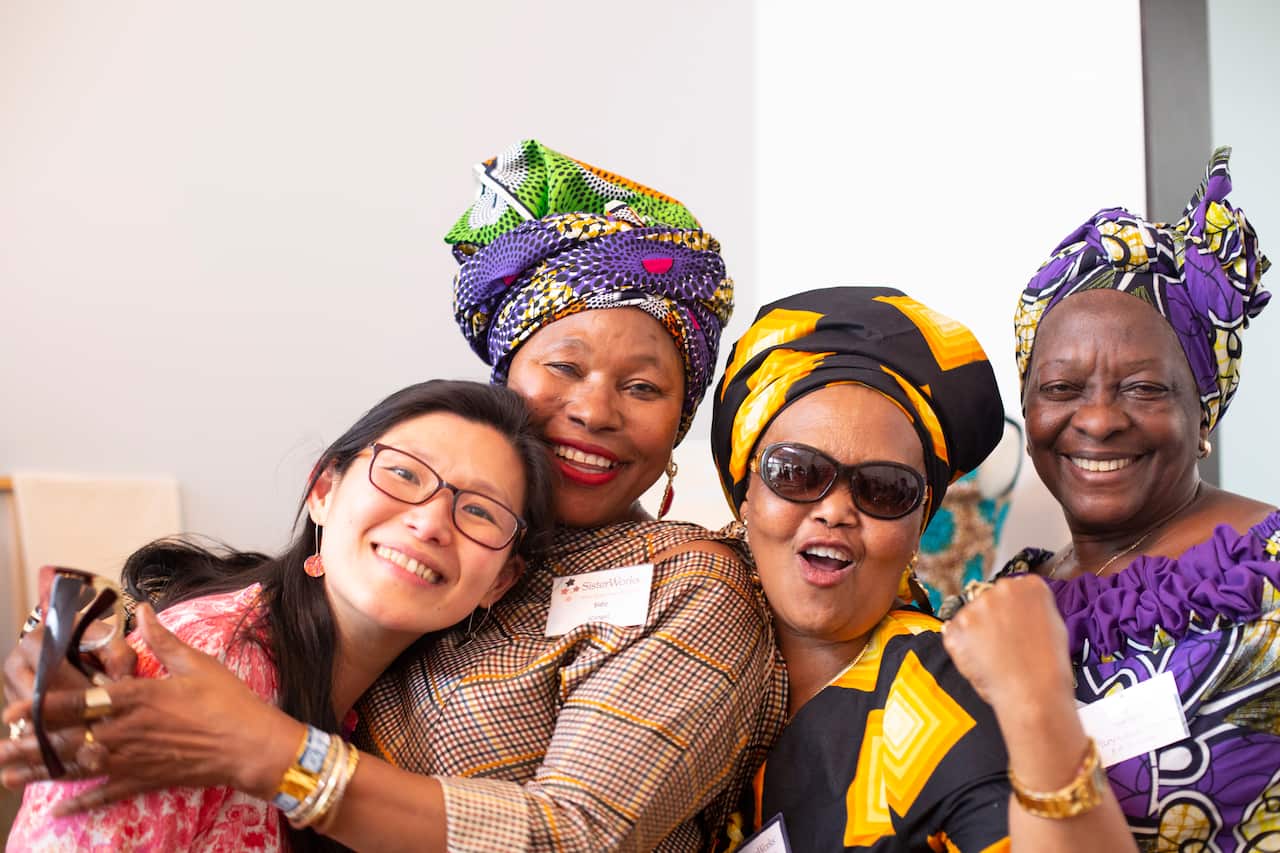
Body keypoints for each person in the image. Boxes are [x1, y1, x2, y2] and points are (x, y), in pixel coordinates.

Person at [3, 140, 784, 852]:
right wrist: (73, 660)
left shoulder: (687, 584)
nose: (595, 409)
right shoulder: (410, 560)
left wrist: (279, 754)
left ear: (679, 422)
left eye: (643, 386)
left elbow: (579, 834)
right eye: (564, 365)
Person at [6, 379, 554, 851]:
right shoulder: (207, 661)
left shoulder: (391, 701)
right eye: (405, 475)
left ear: (501, 580)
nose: (431, 523)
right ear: (323, 490)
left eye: (480, 511)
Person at [710, 286, 1137, 851]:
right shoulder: (682, 627)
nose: (835, 511)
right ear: (747, 497)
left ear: (919, 527)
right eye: (796, 472)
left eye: (884, 489)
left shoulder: (945, 697)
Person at [943, 146, 1278, 852]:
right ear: (1029, 409)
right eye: (1061, 389)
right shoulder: (1006, 599)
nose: (1096, 420)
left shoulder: (1268, 577)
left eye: (1144, 388)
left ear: (1204, 411)